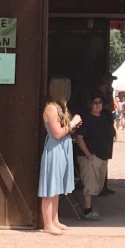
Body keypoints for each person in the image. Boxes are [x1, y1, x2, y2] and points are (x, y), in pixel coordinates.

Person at [39, 77, 81, 236]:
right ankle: (48, 224)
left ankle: (55, 219)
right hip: (54, 150)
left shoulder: (61, 107)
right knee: (50, 188)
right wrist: (72, 123)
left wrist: (73, 125)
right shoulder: (51, 108)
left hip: (62, 150)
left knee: (56, 188)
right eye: (67, 89)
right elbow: (57, 133)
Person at [73, 94, 115, 221]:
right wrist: (88, 154)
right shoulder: (86, 119)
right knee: (90, 184)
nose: (98, 105)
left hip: (102, 155)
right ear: (90, 104)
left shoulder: (106, 118)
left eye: (100, 102)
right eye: (95, 102)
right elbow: (79, 138)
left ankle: (90, 207)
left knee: (98, 183)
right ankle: (87, 210)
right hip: (90, 157)